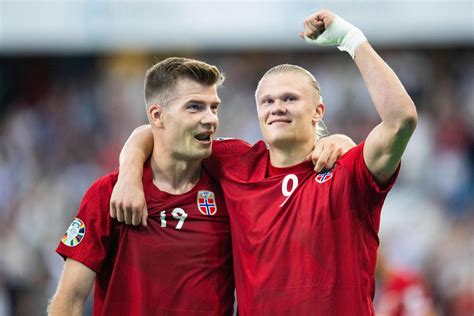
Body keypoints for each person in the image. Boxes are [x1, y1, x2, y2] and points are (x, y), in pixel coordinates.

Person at [112, 9, 417, 315]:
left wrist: (351, 39)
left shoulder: (346, 171)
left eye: (290, 99)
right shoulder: (236, 163)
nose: (277, 108)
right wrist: (128, 172)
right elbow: (161, 131)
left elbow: (401, 120)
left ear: (318, 111)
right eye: (267, 101)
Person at [48, 58, 237, 315]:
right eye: (194, 107)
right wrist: (129, 173)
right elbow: (69, 300)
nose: (210, 119)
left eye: (214, 108)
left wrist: (314, 142)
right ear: (157, 116)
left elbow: (286, 157)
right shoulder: (109, 194)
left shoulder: (231, 182)